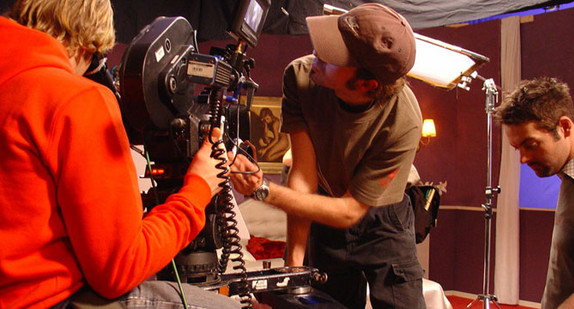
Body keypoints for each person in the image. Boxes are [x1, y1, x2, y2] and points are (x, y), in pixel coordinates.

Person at [0, 1, 240, 308]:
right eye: (95, 61)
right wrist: (199, 188)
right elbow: (119, 269)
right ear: (89, 43)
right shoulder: (75, 99)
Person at [230, 3, 425, 308]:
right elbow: (304, 175)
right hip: (322, 206)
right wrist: (294, 263)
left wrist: (262, 190)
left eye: (330, 55)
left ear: (366, 84)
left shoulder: (404, 121)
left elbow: (349, 210)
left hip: (383, 217)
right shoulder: (300, 76)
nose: (315, 54)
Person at [494, 77, 574, 309]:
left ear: (565, 127)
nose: (523, 159)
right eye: (517, 148)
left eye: (531, 145)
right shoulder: (568, 180)